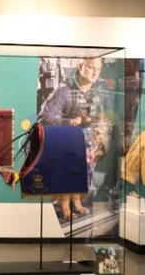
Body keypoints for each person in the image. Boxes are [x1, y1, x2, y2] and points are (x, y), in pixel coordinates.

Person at [38, 58, 108, 219]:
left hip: (90, 145)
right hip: (68, 143)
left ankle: (76, 204)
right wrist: (69, 122)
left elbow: (102, 117)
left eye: (98, 69)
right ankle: (65, 207)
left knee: (83, 175)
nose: (95, 72)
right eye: (91, 68)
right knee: (66, 174)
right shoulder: (65, 92)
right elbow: (45, 117)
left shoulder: (97, 92)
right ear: (80, 66)